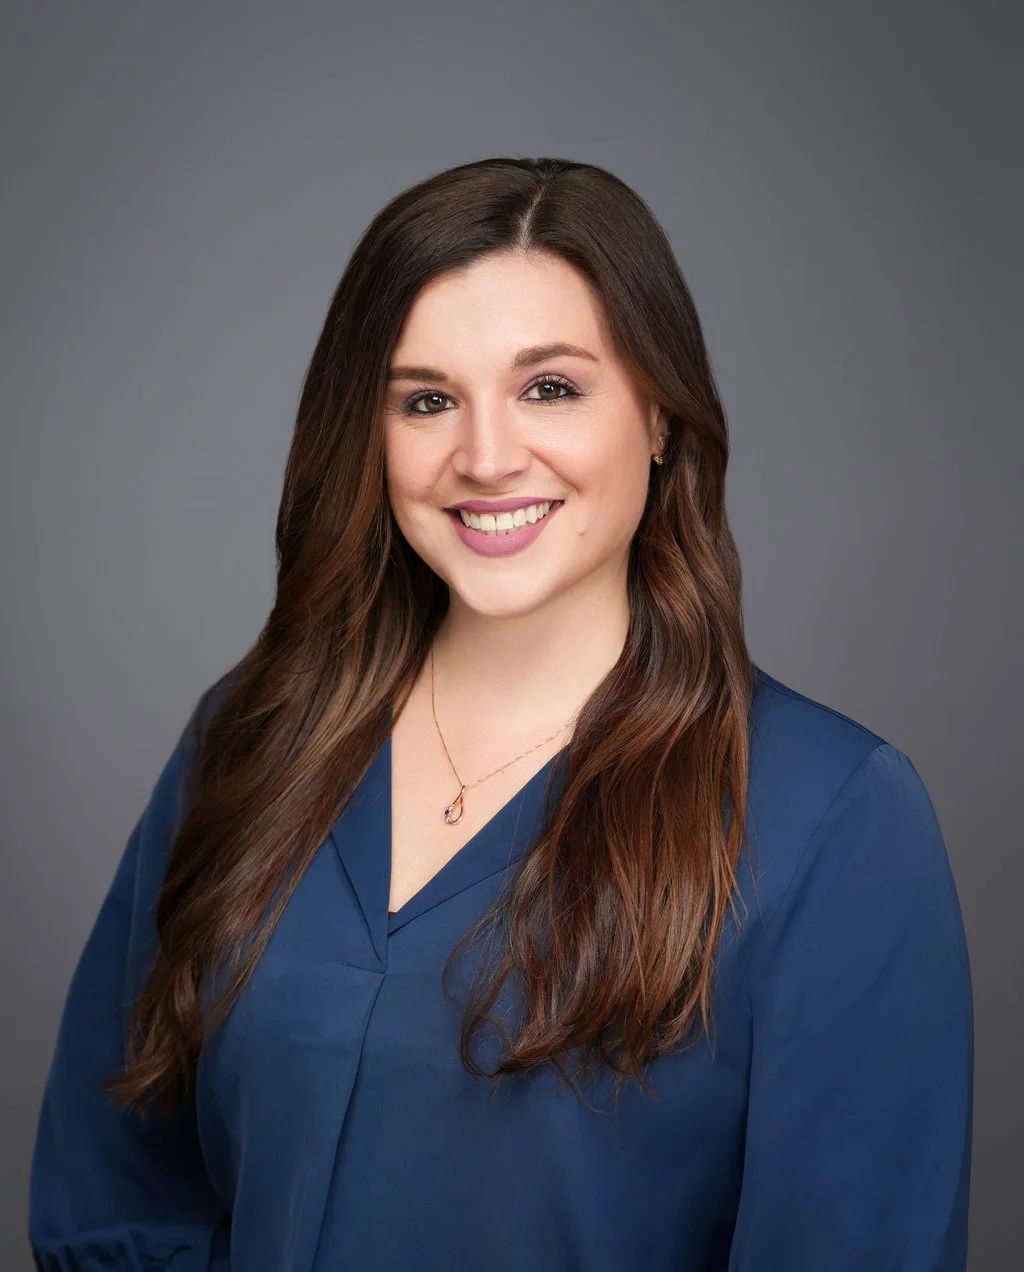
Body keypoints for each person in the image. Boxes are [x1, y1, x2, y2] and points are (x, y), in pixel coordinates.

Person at [28, 157, 973, 1271]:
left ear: (659, 413)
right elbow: (117, 1198)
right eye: (426, 400)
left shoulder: (832, 819)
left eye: (550, 388)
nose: (483, 458)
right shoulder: (249, 739)